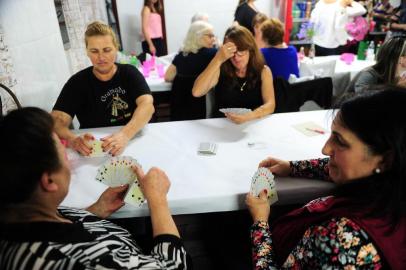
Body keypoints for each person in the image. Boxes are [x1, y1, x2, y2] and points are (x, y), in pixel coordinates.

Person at [0, 107, 190, 269]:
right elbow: (174, 265)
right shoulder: (85, 261)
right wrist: (158, 200)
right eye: (63, 153)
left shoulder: (20, 215)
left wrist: (95, 211)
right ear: (49, 181)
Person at [246, 88, 406, 269]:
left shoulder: (340, 240)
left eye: (340, 141)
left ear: (384, 160)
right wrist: (292, 167)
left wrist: (260, 222)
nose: (325, 149)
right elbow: (345, 168)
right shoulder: (391, 185)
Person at [52, 21, 154, 157]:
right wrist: (73, 140)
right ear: (87, 52)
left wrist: (124, 135)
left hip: (132, 140)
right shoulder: (77, 82)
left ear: (116, 49)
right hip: (93, 149)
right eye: (94, 51)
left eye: (107, 50)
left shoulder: (130, 73)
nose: (101, 57)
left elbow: (147, 106)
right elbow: (56, 120)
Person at [192, 25, 275, 124]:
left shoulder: (263, 71)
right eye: (232, 52)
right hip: (222, 125)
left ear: (251, 50)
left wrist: (250, 116)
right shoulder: (220, 68)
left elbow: (270, 105)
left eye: (241, 52)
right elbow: (196, 92)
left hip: (252, 123)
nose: (236, 58)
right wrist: (217, 59)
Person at [165, 21, 217, 120]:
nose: (213, 39)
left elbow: (168, 77)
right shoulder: (212, 54)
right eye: (210, 36)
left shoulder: (181, 55)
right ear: (198, 36)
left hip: (179, 110)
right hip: (202, 109)